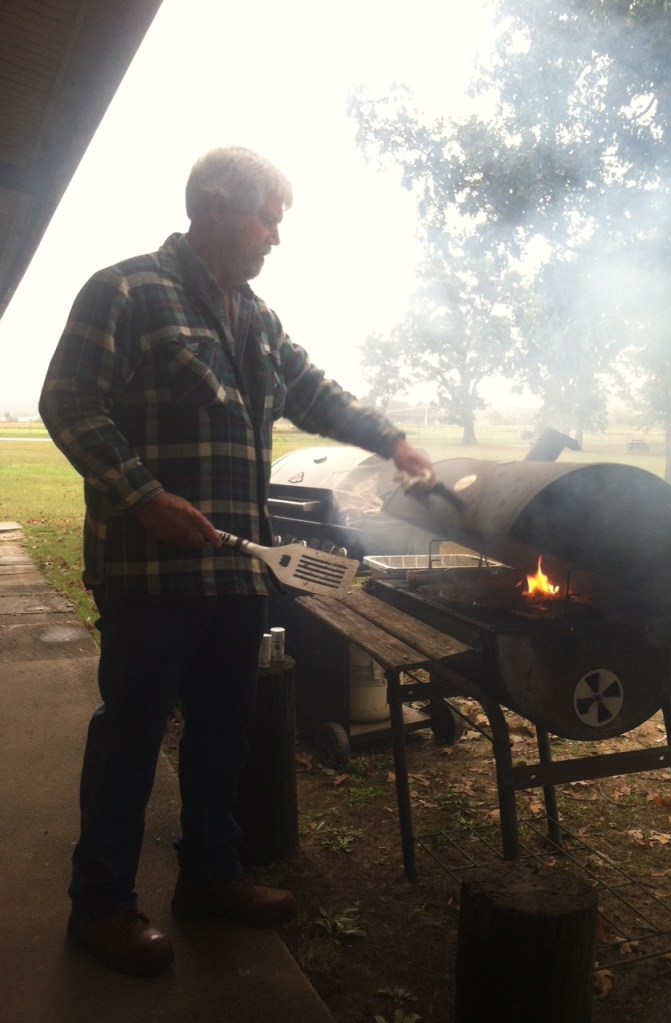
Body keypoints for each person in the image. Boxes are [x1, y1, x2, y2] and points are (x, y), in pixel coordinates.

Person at [38, 146, 433, 976]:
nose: (275, 238)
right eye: (269, 218)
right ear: (217, 207)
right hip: (150, 576)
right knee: (133, 736)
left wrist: (389, 438)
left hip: (237, 574)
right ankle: (101, 904)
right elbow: (68, 401)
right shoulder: (126, 291)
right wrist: (143, 495)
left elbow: (315, 391)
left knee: (225, 733)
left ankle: (211, 876)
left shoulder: (256, 317)